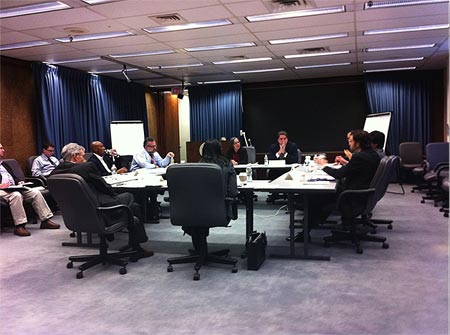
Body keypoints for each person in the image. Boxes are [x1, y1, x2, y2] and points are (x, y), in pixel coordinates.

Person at [51, 143, 153, 258]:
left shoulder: (54, 173)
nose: (85, 159)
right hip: (101, 212)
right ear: (75, 156)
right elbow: (103, 186)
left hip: (76, 217)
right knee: (130, 198)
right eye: (83, 156)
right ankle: (137, 246)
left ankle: (133, 244)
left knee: (133, 207)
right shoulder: (86, 167)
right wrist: (114, 195)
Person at [288, 130, 381, 242]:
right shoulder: (372, 155)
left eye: (351, 141)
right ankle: (314, 224)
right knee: (320, 196)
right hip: (362, 195)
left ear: (357, 143)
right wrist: (345, 164)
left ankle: (305, 233)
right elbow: (357, 170)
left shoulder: (359, 157)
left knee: (314, 198)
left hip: (351, 197)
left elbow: (339, 174)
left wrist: (323, 165)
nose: (349, 144)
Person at [0, 143, 60, 237]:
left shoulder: (4, 164)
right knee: (16, 195)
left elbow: (13, 177)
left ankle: (45, 220)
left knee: (35, 192)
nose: (3, 150)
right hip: (2, 190)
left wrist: (19, 182)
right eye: (1, 148)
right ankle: (20, 226)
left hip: (12, 187)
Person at [182, 139, 238, 239]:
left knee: (197, 221)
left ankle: (200, 250)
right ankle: (201, 251)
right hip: (220, 211)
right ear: (220, 150)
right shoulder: (227, 164)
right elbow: (233, 192)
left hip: (196, 211)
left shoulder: (197, 167)